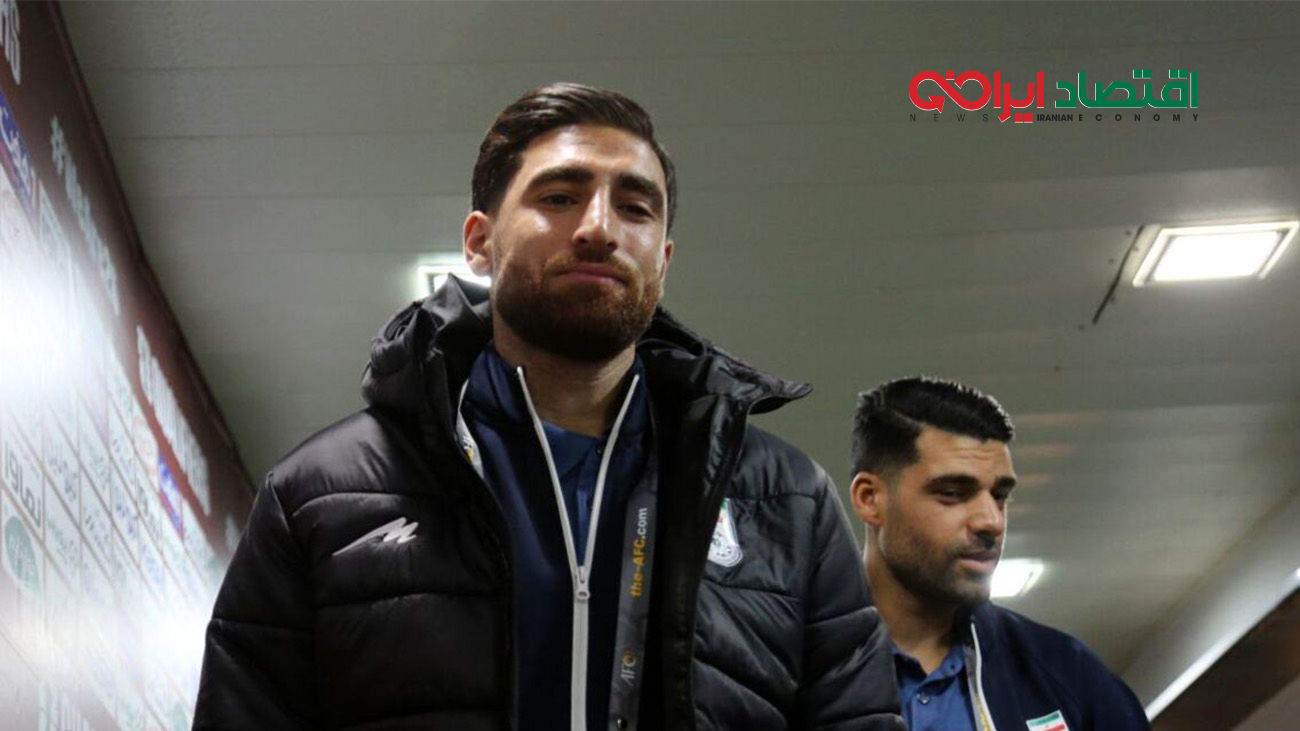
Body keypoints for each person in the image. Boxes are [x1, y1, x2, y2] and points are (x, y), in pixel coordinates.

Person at [194, 83, 903, 730]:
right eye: (560, 197)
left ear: (662, 260)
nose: (599, 227)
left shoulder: (787, 503)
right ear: (480, 243)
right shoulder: (321, 493)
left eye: (635, 208)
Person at [848, 377, 1149, 731]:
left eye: (1000, 496)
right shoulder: (801, 667)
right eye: (953, 493)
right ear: (870, 499)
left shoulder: (1069, 676)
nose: (990, 521)